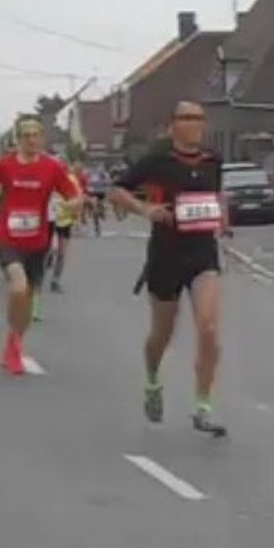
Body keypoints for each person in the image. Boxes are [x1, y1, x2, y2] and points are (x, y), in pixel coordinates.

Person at [110, 101, 229, 438]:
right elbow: (116, 191)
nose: (195, 124)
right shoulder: (157, 159)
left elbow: (216, 195)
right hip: (166, 255)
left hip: (203, 253)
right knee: (162, 333)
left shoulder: (213, 159)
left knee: (208, 326)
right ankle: (152, 379)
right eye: (187, 118)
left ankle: (202, 406)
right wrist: (145, 209)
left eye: (199, 118)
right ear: (172, 125)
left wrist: (223, 216)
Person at [0, 119, 81, 375]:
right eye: (26, 135)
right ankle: (14, 346)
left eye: (36, 135)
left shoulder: (52, 167)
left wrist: (71, 205)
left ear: (42, 139)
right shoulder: (5, 165)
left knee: (28, 298)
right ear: (19, 139)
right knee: (18, 286)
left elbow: (74, 195)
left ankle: (14, 342)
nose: (31, 140)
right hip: (8, 237)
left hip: (38, 240)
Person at [46, 162, 83, 294]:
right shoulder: (47, 179)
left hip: (65, 220)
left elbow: (78, 200)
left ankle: (55, 280)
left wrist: (76, 218)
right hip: (49, 219)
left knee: (61, 253)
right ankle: (46, 259)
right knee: (51, 249)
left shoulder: (71, 181)